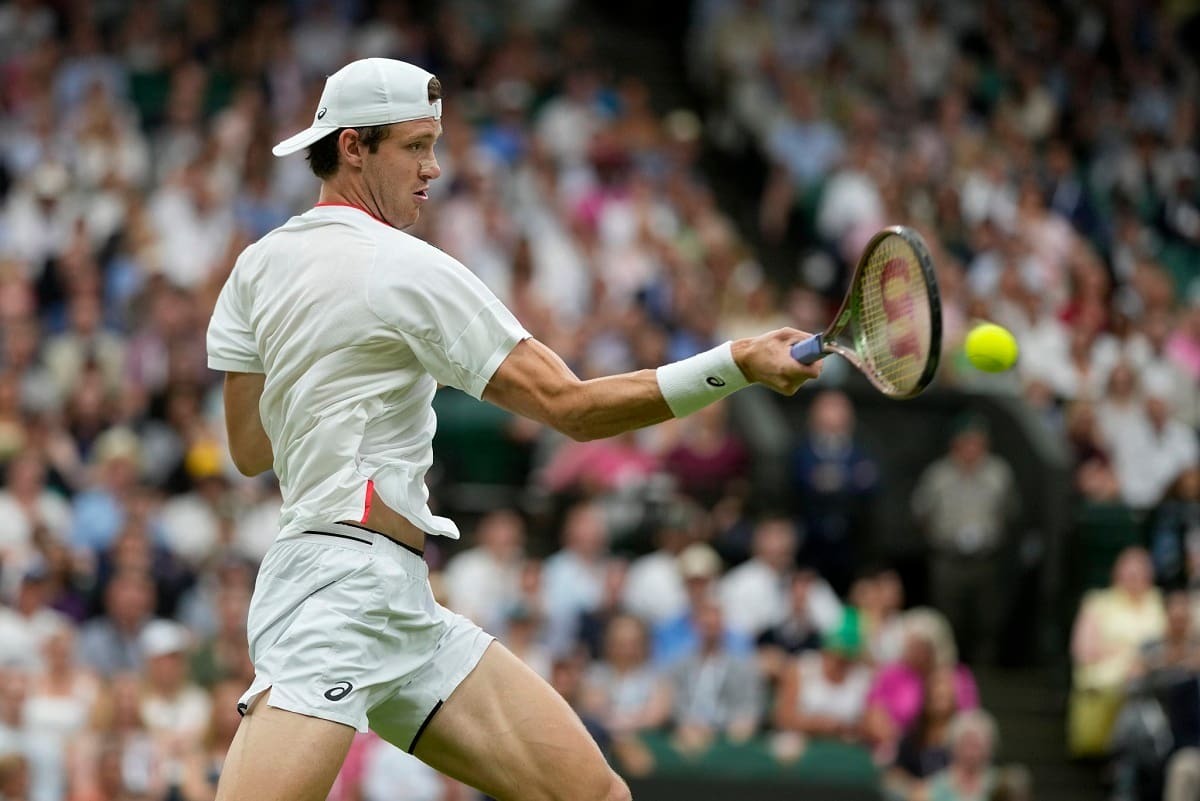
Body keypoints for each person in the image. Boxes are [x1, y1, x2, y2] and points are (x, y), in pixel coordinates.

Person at [206, 57, 821, 801]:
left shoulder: (256, 266)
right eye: (414, 146)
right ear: (352, 147)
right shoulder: (406, 268)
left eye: (435, 143)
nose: (433, 167)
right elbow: (576, 408)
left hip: (390, 597)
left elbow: (249, 450)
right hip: (339, 591)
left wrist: (333, 378)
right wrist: (739, 361)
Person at [912, 414, 1019, 664]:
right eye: (966, 442)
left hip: (986, 559)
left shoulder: (999, 474)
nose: (971, 448)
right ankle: (949, 672)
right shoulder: (938, 476)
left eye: (977, 442)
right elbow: (920, 513)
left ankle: (985, 674)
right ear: (955, 445)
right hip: (949, 559)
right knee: (949, 620)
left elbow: (1010, 512)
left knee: (987, 619)